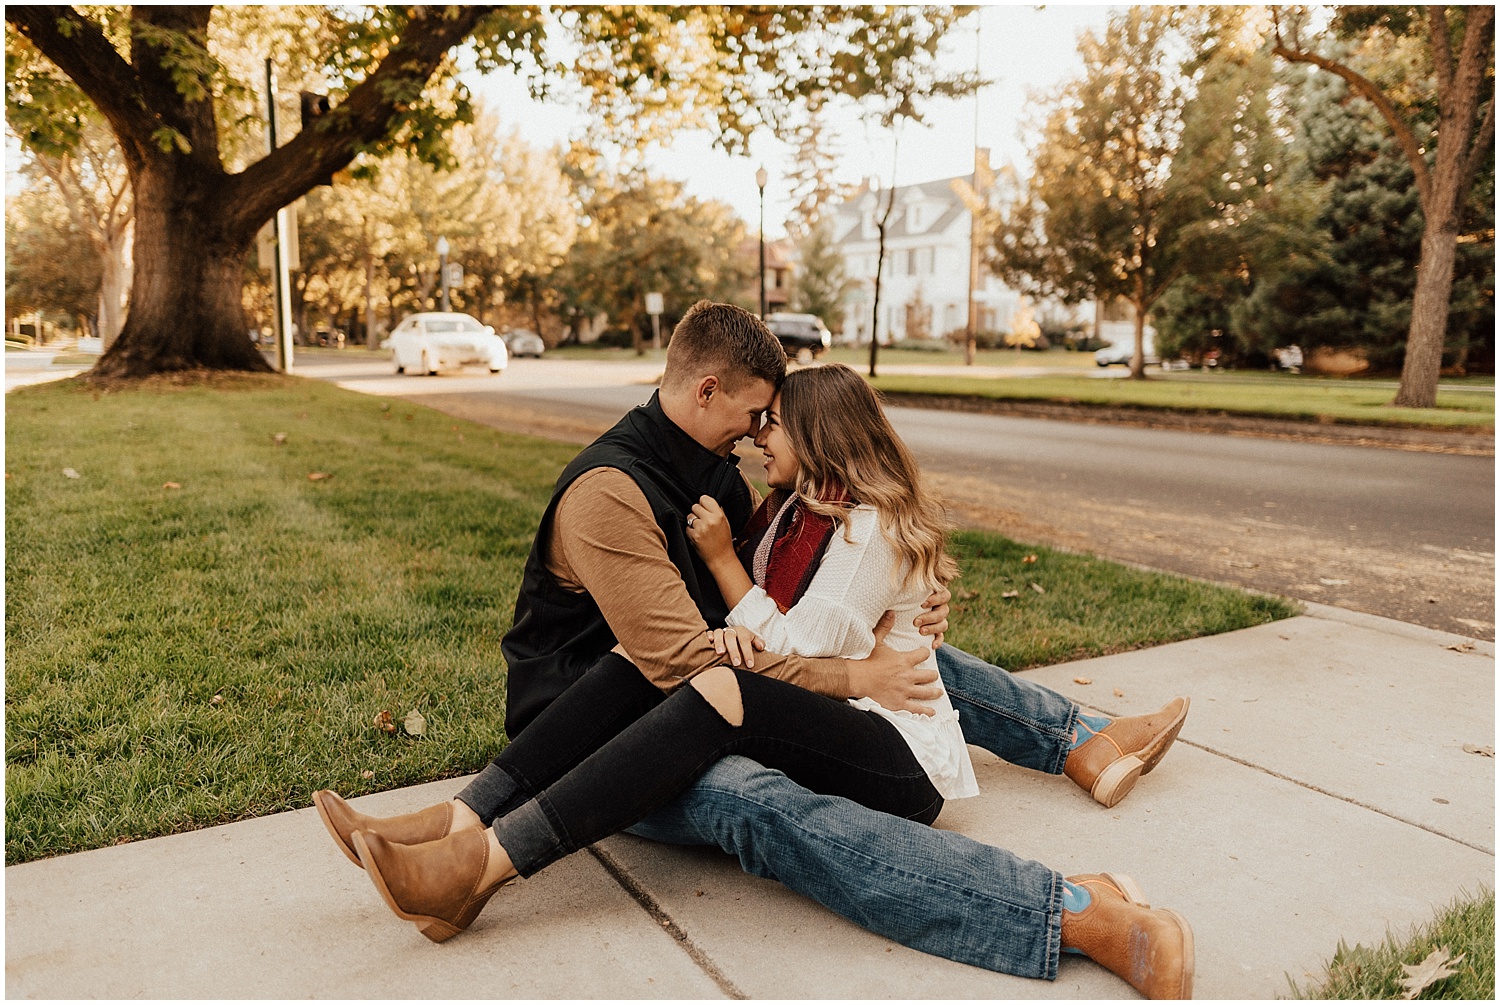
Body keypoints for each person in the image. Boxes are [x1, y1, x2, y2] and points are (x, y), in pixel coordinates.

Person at [314, 302, 1193, 998]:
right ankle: (1067, 909)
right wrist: (856, 664)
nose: (759, 431)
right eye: (755, 412)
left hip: (701, 698)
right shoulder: (609, 493)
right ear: (706, 391)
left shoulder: (721, 475)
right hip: (603, 730)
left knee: (876, 666)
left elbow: (806, 607)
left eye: (771, 421)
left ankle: (1080, 740)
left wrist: (911, 602)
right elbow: (692, 664)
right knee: (756, 793)